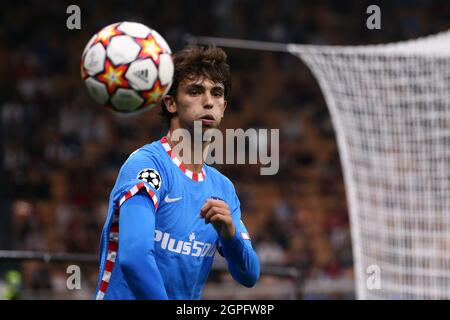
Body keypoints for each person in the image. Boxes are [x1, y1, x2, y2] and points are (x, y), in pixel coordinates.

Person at [94, 45, 260, 300]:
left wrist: (230, 236)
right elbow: (134, 259)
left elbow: (249, 275)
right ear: (170, 103)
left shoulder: (223, 188)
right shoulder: (148, 166)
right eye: (195, 91)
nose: (208, 101)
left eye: (216, 93)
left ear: (223, 108)